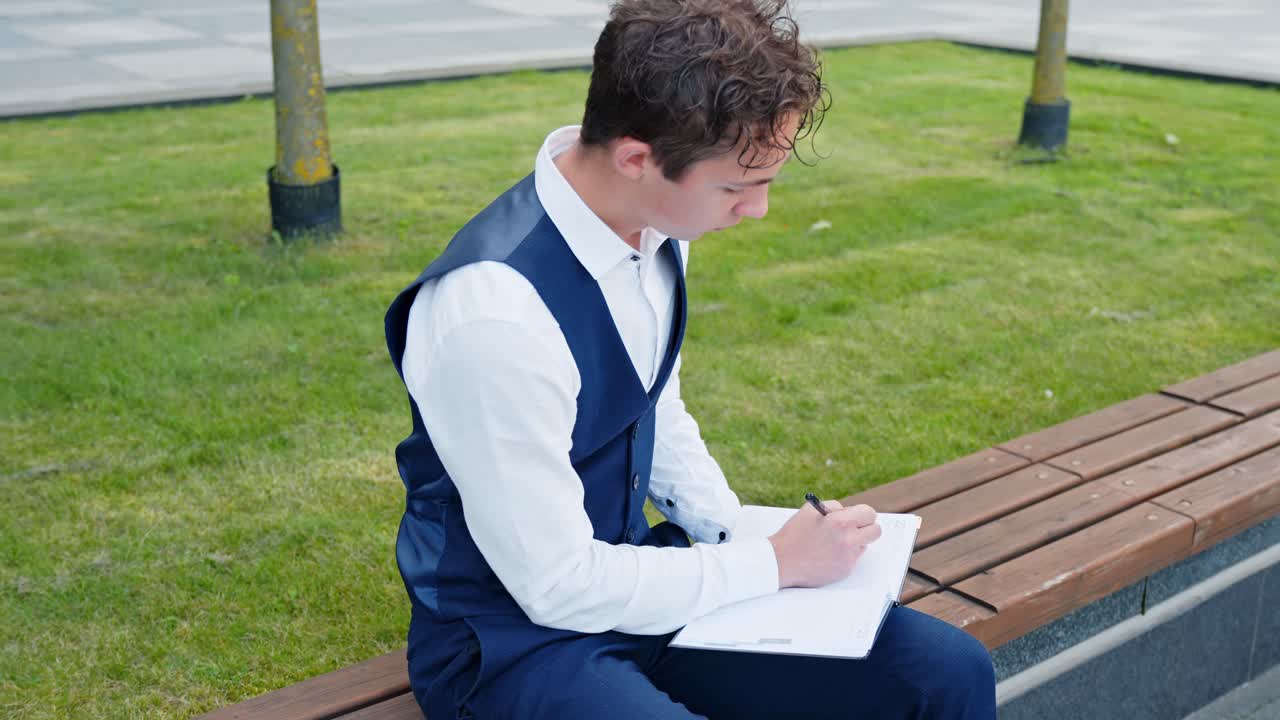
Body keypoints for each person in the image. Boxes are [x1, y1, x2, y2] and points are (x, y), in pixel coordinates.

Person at [383, 1, 997, 717]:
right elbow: (554, 584)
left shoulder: (653, 223)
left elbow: (653, 408)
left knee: (944, 672)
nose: (758, 210)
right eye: (738, 186)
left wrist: (736, 531)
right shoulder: (492, 314)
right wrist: (772, 563)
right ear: (637, 157)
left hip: (641, 586)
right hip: (510, 644)